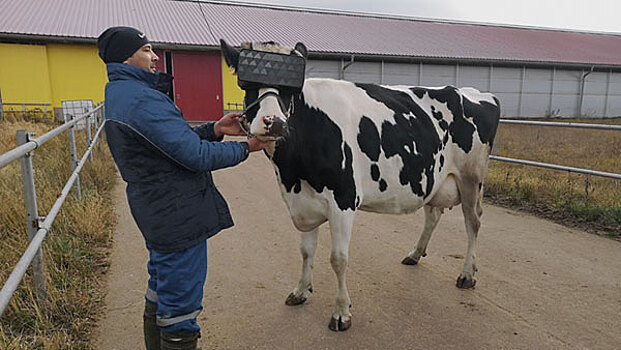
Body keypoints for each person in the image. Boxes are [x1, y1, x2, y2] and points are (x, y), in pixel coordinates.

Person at [97, 26, 269, 350]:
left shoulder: (123, 93)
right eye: (147, 49)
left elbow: (172, 144)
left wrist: (215, 129)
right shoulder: (141, 99)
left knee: (161, 288)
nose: (155, 56)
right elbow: (194, 155)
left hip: (158, 208)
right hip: (175, 212)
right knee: (180, 308)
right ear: (126, 56)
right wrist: (246, 147)